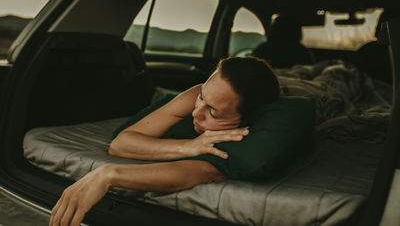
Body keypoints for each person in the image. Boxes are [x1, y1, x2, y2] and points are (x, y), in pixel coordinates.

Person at [49, 56, 280, 226]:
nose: (196, 113)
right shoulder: (193, 99)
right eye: (202, 98)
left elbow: (198, 172)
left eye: (213, 113)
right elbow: (120, 144)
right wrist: (189, 146)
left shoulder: (245, 137)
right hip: (158, 118)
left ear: (243, 120)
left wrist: (108, 175)